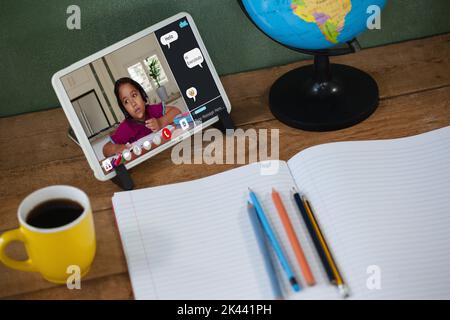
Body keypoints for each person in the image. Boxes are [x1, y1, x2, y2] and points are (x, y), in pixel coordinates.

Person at [102, 77, 180, 157]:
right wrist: (117, 148)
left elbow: (176, 111)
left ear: (142, 95)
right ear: (124, 108)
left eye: (134, 95)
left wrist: (160, 122)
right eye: (126, 101)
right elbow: (106, 149)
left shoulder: (152, 110)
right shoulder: (126, 127)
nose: (133, 103)